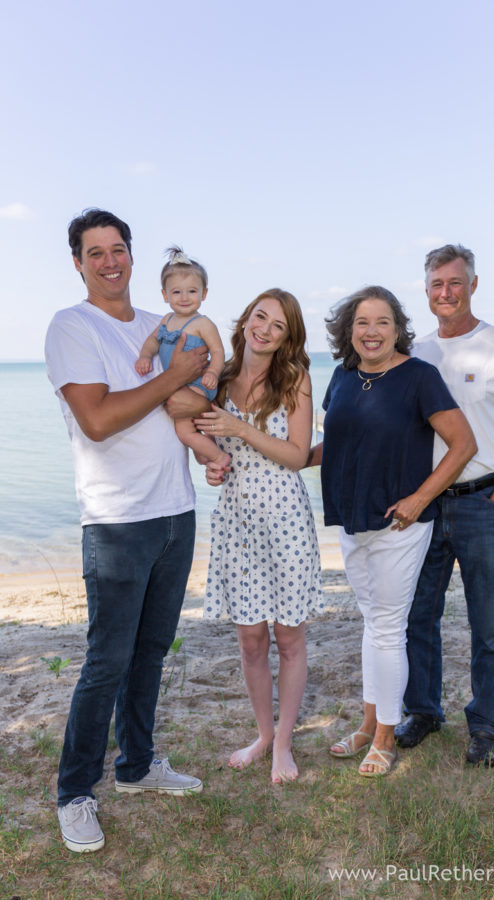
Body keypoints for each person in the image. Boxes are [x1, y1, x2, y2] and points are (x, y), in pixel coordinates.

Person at [45, 209, 205, 854]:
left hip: (176, 511)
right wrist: (174, 378)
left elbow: (191, 399)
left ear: (133, 256)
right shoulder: (72, 327)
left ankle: (137, 764)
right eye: (96, 253)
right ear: (78, 263)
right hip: (116, 521)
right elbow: (99, 419)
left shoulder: (157, 324)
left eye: (118, 249)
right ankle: (74, 792)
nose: (110, 262)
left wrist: (209, 431)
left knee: (152, 651)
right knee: (106, 660)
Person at [309, 286, 476, 777]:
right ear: (348, 330)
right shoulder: (343, 376)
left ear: (398, 329)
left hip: (400, 523)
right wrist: (288, 457)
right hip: (351, 517)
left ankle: (385, 736)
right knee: (373, 624)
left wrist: (420, 498)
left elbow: (463, 444)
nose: (372, 331)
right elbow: (337, 442)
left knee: (387, 627)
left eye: (382, 322)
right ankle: (368, 725)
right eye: (362, 322)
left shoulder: (420, 377)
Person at [395, 244, 494, 767]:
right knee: (418, 615)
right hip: (427, 504)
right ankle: (423, 711)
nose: (446, 292)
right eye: (437, 284)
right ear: (426, 291)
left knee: (489, 624)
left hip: (486, 502)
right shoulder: (415, 353)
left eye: (455, 282)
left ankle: (485, 726)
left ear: (473, 285)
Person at [197, 289, 323, 784]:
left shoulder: (294, 379)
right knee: (250, 640)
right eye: (260, 316)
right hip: (236, 520)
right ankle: (264, 735)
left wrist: (241, 428)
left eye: (278, 325)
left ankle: (284, 744)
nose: (265, 329)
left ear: (288, 337)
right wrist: (211, 464)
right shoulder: (219, 378)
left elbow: (298, 455)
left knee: (288, 637)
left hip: (285, 518)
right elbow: (207, 446)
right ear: (246, 319)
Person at [135, 246, 229, 469]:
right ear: (165, 295)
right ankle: (206, 452)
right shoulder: (167, 320)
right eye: (177, 292)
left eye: (192, 291)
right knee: (193, 426)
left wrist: (213, 372)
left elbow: (218, 351)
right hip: (179, 383)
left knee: (184, 432)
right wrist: (145, 356)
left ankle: (219, 458)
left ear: (204, 293)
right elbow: (152, 340)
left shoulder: (202, 323)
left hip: (198, 383)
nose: (184, 298)